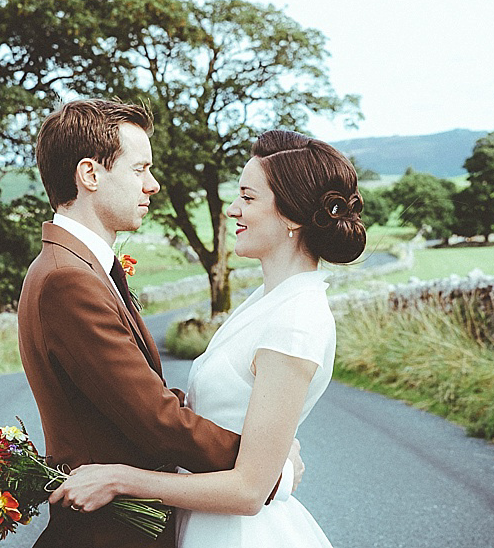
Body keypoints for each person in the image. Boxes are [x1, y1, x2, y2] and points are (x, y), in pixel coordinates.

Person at [48, 128, 366, 547]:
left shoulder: (297, 319)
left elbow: (250, 490)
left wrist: (122, 479)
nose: (232, 209)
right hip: (204, 525)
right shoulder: (268, 300)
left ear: (291, 216)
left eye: (248, 198)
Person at [17, 100, 301, 548]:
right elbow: (156, 420)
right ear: (89, 175)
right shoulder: (67, 280)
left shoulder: (78, 268)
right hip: (107, 535)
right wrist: (264, 465)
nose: (153, 185)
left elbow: (136, 395)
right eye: (139, 170)